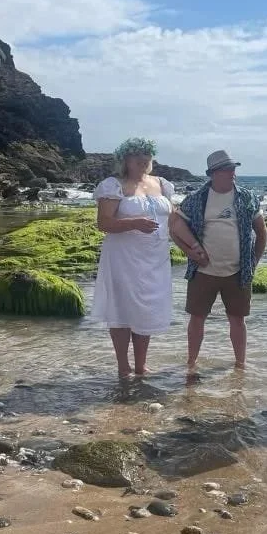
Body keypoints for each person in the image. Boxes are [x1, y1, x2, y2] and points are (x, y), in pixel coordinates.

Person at [170, 149, 267, 372]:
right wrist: (189, 251)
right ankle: (191, 364)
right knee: (197, 319)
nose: (232, 172)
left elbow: (262, 233)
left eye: (233, 168)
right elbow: (174, 227)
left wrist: (253, 264)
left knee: (238, 320)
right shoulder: (196, 199)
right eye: (226, 169)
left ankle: (240, 366)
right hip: (203, 272)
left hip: (238, 272)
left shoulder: (247, 197)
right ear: (213, 173)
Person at [92, 137, 176, 378]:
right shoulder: (114, 185)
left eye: (147, 155)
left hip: (155, 257)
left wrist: (192, 245)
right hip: (123, 258)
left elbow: (173, 220)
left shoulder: (162, 184)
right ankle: (123, 365)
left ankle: (141, 365)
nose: (143, 159)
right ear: (125, 159)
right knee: (121, 309)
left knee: (145, 309)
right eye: (137, 155)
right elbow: (103, 223)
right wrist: (135, 223)